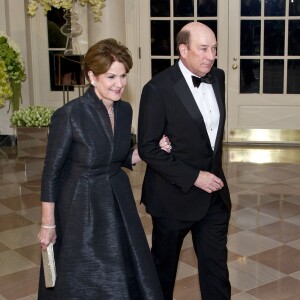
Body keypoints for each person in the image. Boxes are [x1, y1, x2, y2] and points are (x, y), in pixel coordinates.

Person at [37, 38, 170, 300]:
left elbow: (117, 158)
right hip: (81, 205)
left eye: (123, 76)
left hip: (117, 199)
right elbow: (51, 173)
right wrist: (48, 224)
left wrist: (147, 151)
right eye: (111, 76)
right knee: (86, 273)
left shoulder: (124, 111)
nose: (119, 84)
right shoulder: (70, 115)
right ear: (92, 76)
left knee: (122, 266)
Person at [138, 22, 231, 300]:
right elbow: (148, 148)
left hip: (214, 196)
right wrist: (194, 176)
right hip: (172, 199)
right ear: (182, 49)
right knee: (162, 274)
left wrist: (209, 177)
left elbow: (209, 135)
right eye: (203, 49)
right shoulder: (157, 88)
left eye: (214, 49)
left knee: (216, 273)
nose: (211, 56)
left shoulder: (219, 77)